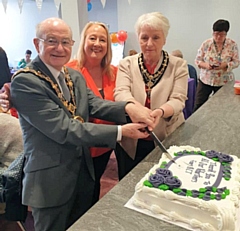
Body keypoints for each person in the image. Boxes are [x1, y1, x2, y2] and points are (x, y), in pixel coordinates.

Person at [0, 17, 160, 231]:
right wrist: (121, 131)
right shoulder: (26, 81)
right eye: (52, 41)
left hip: (83, 174)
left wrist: (129, 108)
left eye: (66, 42)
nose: (60, 48)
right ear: (37, 43)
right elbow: (65, 129)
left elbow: (94, 104)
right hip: (51, 182)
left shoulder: (72, 75)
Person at [114, 12, 188, 180]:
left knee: (164, 184)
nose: (149, 43)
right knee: (128, 184)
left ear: (164, 39)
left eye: (156, 37)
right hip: (131, 138)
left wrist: (159, 112)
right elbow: (121, 92)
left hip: (165, 136)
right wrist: (136, 109)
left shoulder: (178, 65)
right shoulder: (126, 64)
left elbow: (178, 99)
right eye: (144, 37)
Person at [66, 21, 118, 204]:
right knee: (78, 194)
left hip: (105, 145)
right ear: (83, 41)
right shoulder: (69, 70)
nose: (97, 43)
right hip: (79, 147)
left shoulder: (114, 72)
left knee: (95, 187)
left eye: (102, 40)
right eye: (92, 38)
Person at [194, 19, 239, 111]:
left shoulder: (232, 45)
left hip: (224, 81)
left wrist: (225, 65)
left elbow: (236, 62)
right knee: (199, 105)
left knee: (222, 107)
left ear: (226, 34)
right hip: (206, 79)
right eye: (216, 34)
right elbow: (198, 60)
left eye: (221, 35)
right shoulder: (206, 44)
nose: (218, 37)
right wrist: (206, 65)